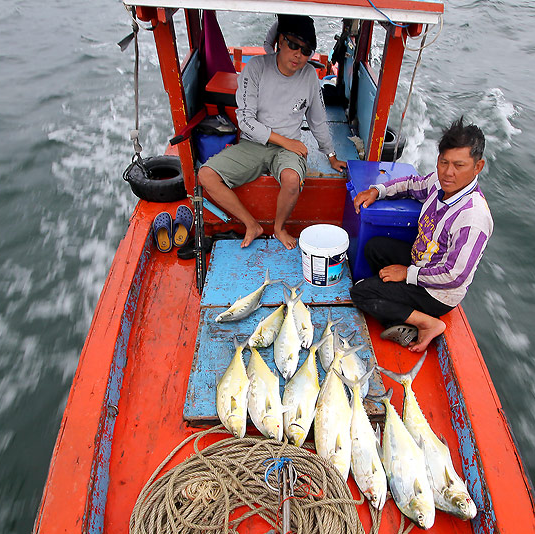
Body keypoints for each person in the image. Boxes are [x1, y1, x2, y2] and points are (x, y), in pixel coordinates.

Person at [198, 15, 347, 249]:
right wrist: (285, 141)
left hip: (285, 152)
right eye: (293, 45)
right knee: (206, 175)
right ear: (280, 40)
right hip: (253, 144)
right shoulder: (256, 68)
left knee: (291, 179)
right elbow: (245, 121)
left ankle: (279, 228)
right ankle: (251, 225)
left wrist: (330, 155)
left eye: (306, 50)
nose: (299, 54)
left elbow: (317, 119)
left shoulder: (309, 76)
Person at [349, 118, 492, 353]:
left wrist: (407, 274)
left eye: (459, 165)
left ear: (477, 167)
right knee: (374, 247)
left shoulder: (473, 217)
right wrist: (377, 190)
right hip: (421, 261)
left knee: (361, 293)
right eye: (443, 162)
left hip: (437, 292)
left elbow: (453, 275)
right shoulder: (440, 182)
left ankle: (429, 323)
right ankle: (399, 312)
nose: (448, 172)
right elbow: (412, 185)